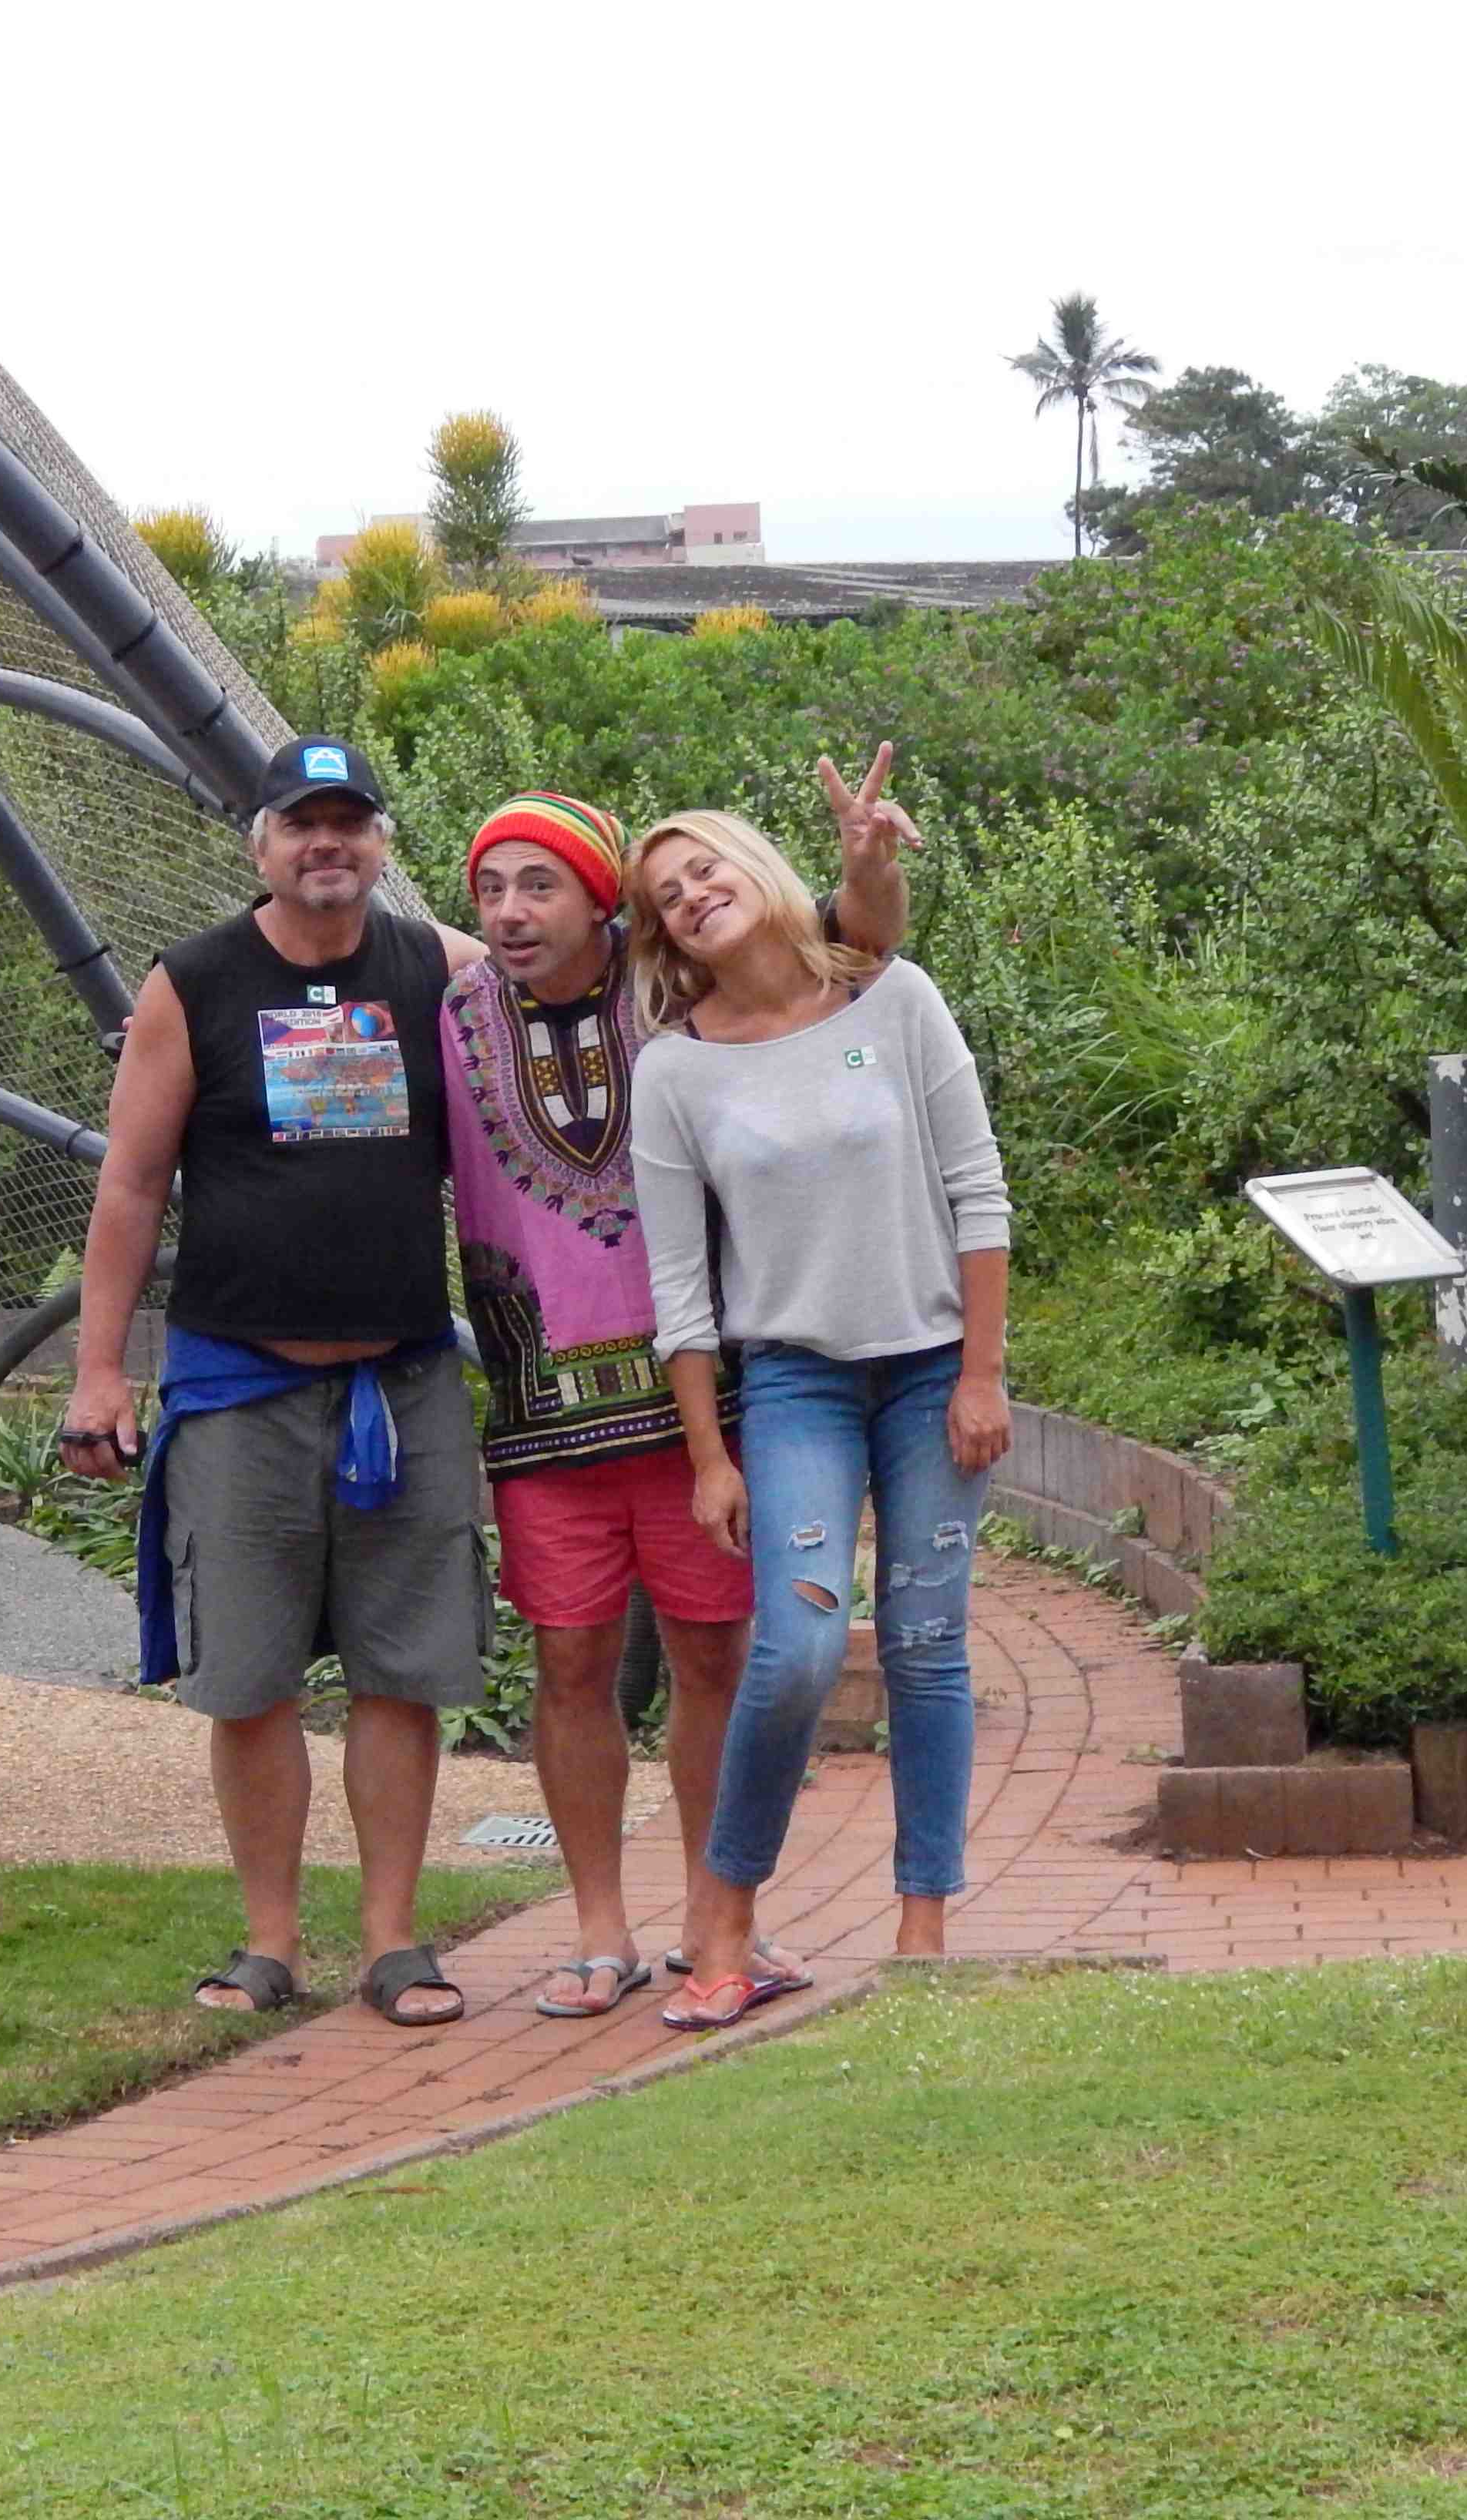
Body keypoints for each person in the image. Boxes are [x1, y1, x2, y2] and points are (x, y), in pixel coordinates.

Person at [444, 754, 917, 2017]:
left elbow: (846, 945)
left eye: (540, 884)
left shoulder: (679, 994)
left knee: (719, 1659)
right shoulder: (450, 1015)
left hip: (704, 1399)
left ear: (603, 901)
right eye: (491, 889)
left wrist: (867, 864)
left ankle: (723, 1920)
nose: (510, 911)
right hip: (542, 1411)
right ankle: (598, 1926)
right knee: (570, 1662)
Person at [58, 737, 488, 2026]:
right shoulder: (195, 983)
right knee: (248, 1682)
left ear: (383, 844)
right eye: (303, 823)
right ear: (262, 844)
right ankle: (269, 1945)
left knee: (401, 1674)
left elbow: (580, 992)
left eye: (351, 822)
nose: (328, 844)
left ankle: (395, 1945)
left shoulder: (442, 970)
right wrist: (97, 1373)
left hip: (401, 1386)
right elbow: (133, 1184)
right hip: (241, 1390)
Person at [624, 808, 1015, 2033]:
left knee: (925, 1644)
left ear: (756, 867)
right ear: (664, 937)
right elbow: (680, 1290)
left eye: (705, 869)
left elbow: (979, 1191)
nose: (693, 896)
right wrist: (708, 1456)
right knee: (795, 1650)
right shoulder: (674, 1070)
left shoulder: (897, 1002)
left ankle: (923, 1932)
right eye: (667, 896)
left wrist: (983, 1374)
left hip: (932, 1370)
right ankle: (727, 1926)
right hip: (796, 1382)